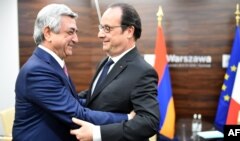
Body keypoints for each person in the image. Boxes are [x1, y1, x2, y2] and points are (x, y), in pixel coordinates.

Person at [13, 3, 131, 141]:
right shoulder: (38, 71)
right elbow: (77, 115)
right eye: (70, 32)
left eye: (76, 32)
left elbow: (73, 103)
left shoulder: (51, 65)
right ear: (48, 33)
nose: (76, 39)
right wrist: (128, 118)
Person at [71, 2, 160, 141]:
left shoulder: (143, 72)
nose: (100, 34)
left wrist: (97, 133)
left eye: (107, 28)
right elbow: (96, 95)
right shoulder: (105, 62)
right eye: (101, 27)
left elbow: (149, 122)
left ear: (129, 31)